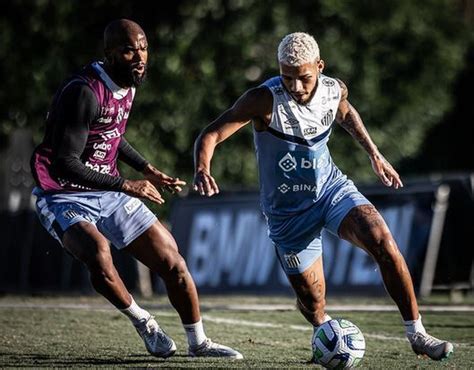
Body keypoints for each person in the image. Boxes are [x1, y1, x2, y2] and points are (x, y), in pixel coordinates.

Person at [193, 32, 453, 361]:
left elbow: (344, 112)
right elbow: (212, 132)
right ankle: (325, 332)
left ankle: (418, 334)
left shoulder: (334, 88)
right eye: (287, 78)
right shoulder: (263, 99)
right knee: (313, 303)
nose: (296, 87)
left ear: (319, 66)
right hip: (288, 214)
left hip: (331, 190)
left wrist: (374, 153)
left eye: (304, 77)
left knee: (382, 241)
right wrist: (203, 168)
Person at [30, 19, 242, 360]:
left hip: (108, 188)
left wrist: (147, 169)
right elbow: (65, 163)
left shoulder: (128, 82)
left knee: (172, 261)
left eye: (143, 49)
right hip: (62, 192)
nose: (139, 57)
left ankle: (199, 343)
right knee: (98, 254)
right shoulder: (84, 91)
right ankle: (143, 321)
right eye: (129, 50)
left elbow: (111, 133)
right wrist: (128, 183)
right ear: (110, 53)